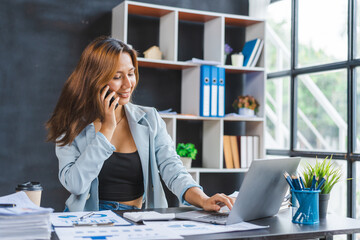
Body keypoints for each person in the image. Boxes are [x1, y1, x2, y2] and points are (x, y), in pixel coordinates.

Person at [46, 36, 234, 212]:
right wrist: (107, 129)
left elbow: (172, 168)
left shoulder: (149, 118)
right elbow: (75, 184)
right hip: (90, 220)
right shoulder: (71, 125)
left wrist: (202, 199)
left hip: (137, 218)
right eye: (117, 77)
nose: (128, 84)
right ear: (95, 79)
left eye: (131, 73)